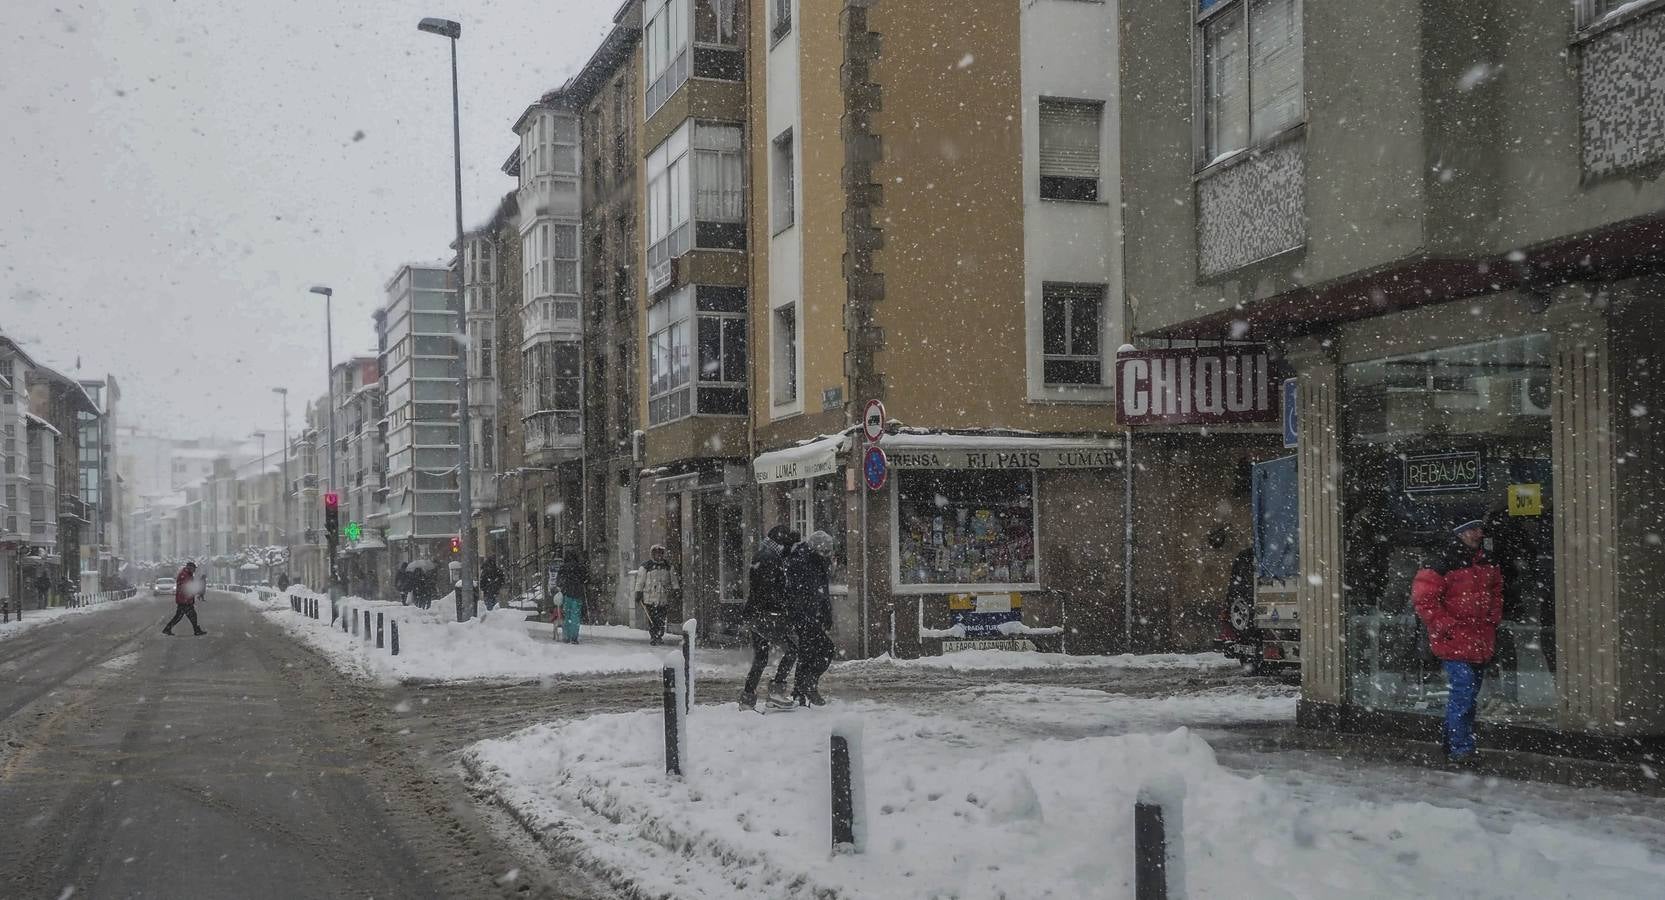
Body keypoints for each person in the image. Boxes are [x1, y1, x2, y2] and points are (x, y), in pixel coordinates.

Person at [1412, 518, 1503, 764]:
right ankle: (1460, 748)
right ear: (1459, 532)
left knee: (1467, 696)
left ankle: (1453, 745)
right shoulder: (1442, 562)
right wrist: (1449, 627)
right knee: (1464, 694)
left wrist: (1491, 619)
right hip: (1456, 640)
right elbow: (1425, 602)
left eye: (1479, 528)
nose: (1478, 533)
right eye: (1472, 529)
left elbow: (1496, 591)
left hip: (1476, 639)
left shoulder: (1484, 560)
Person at [740, 526, 799, 710]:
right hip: (765, 615)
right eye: (788, 545)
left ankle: (747, 699)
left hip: (755, 614)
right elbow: (769, 590)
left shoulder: (764, 554)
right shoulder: (770, 558)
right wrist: (782, 607)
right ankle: (776, 692)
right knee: (792, 650)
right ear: (781, 543)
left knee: (761, 657)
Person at [785, 530, 837, 706]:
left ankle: (800, 691)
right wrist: (803, 616)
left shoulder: (817, 562)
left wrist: (826, 614)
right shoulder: (801, 562)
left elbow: (822, 593)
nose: (828, 555)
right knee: (825, 649)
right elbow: (797, 593)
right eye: (825, 551)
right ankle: (808, 685)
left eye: (829, 552)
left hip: (811, 616)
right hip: (803, 617)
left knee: (808, 653)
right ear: (816, 549)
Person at [635, 544, 678, 645]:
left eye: (660, 553)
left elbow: (674, 580)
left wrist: (676, 589)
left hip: (663, 597)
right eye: (656, 553)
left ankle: (659, 635)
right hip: (650, 597)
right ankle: (654, 636)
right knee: (652, 618)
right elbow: (640, 581)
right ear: (652, 554)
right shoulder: (646, 566)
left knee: (661, 618)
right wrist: (638, 592)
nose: (658, 555)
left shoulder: (668, 566)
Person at [163, 560, 208, 636]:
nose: (195, 570)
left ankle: (167, 629)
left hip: (185, 599)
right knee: (188, 616)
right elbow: (185, 587)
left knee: (183, 616)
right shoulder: (184, 575)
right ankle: (196, 630)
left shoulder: (187, 574)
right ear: (190, 568)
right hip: (184, 600)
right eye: (194, 568)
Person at [557, 548, 588, 644]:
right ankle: (574, 637)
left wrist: (562, 587)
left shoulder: (563, 567)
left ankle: (566, 636)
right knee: (575, 616)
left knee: (567, 616)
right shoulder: (580, 567)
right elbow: (585, 579)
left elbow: (559, 581)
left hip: (567, 594)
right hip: (578, 594)